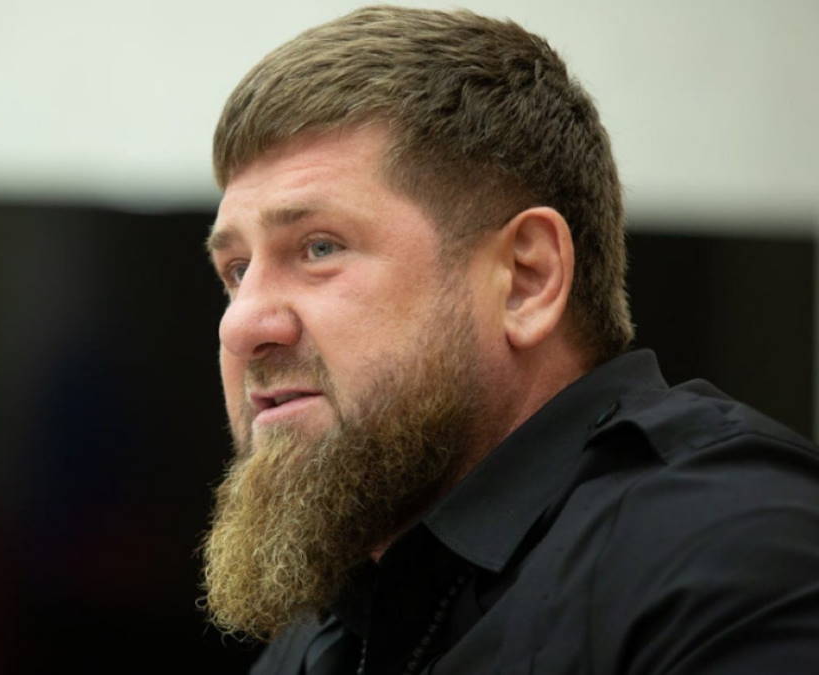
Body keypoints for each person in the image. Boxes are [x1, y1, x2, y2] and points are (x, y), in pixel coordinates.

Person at [198, 6, 819, 675]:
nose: (241, 325)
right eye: (237, 270)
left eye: (319, 247)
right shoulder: (325, 633)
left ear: (526, 279)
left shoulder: (732, 551)